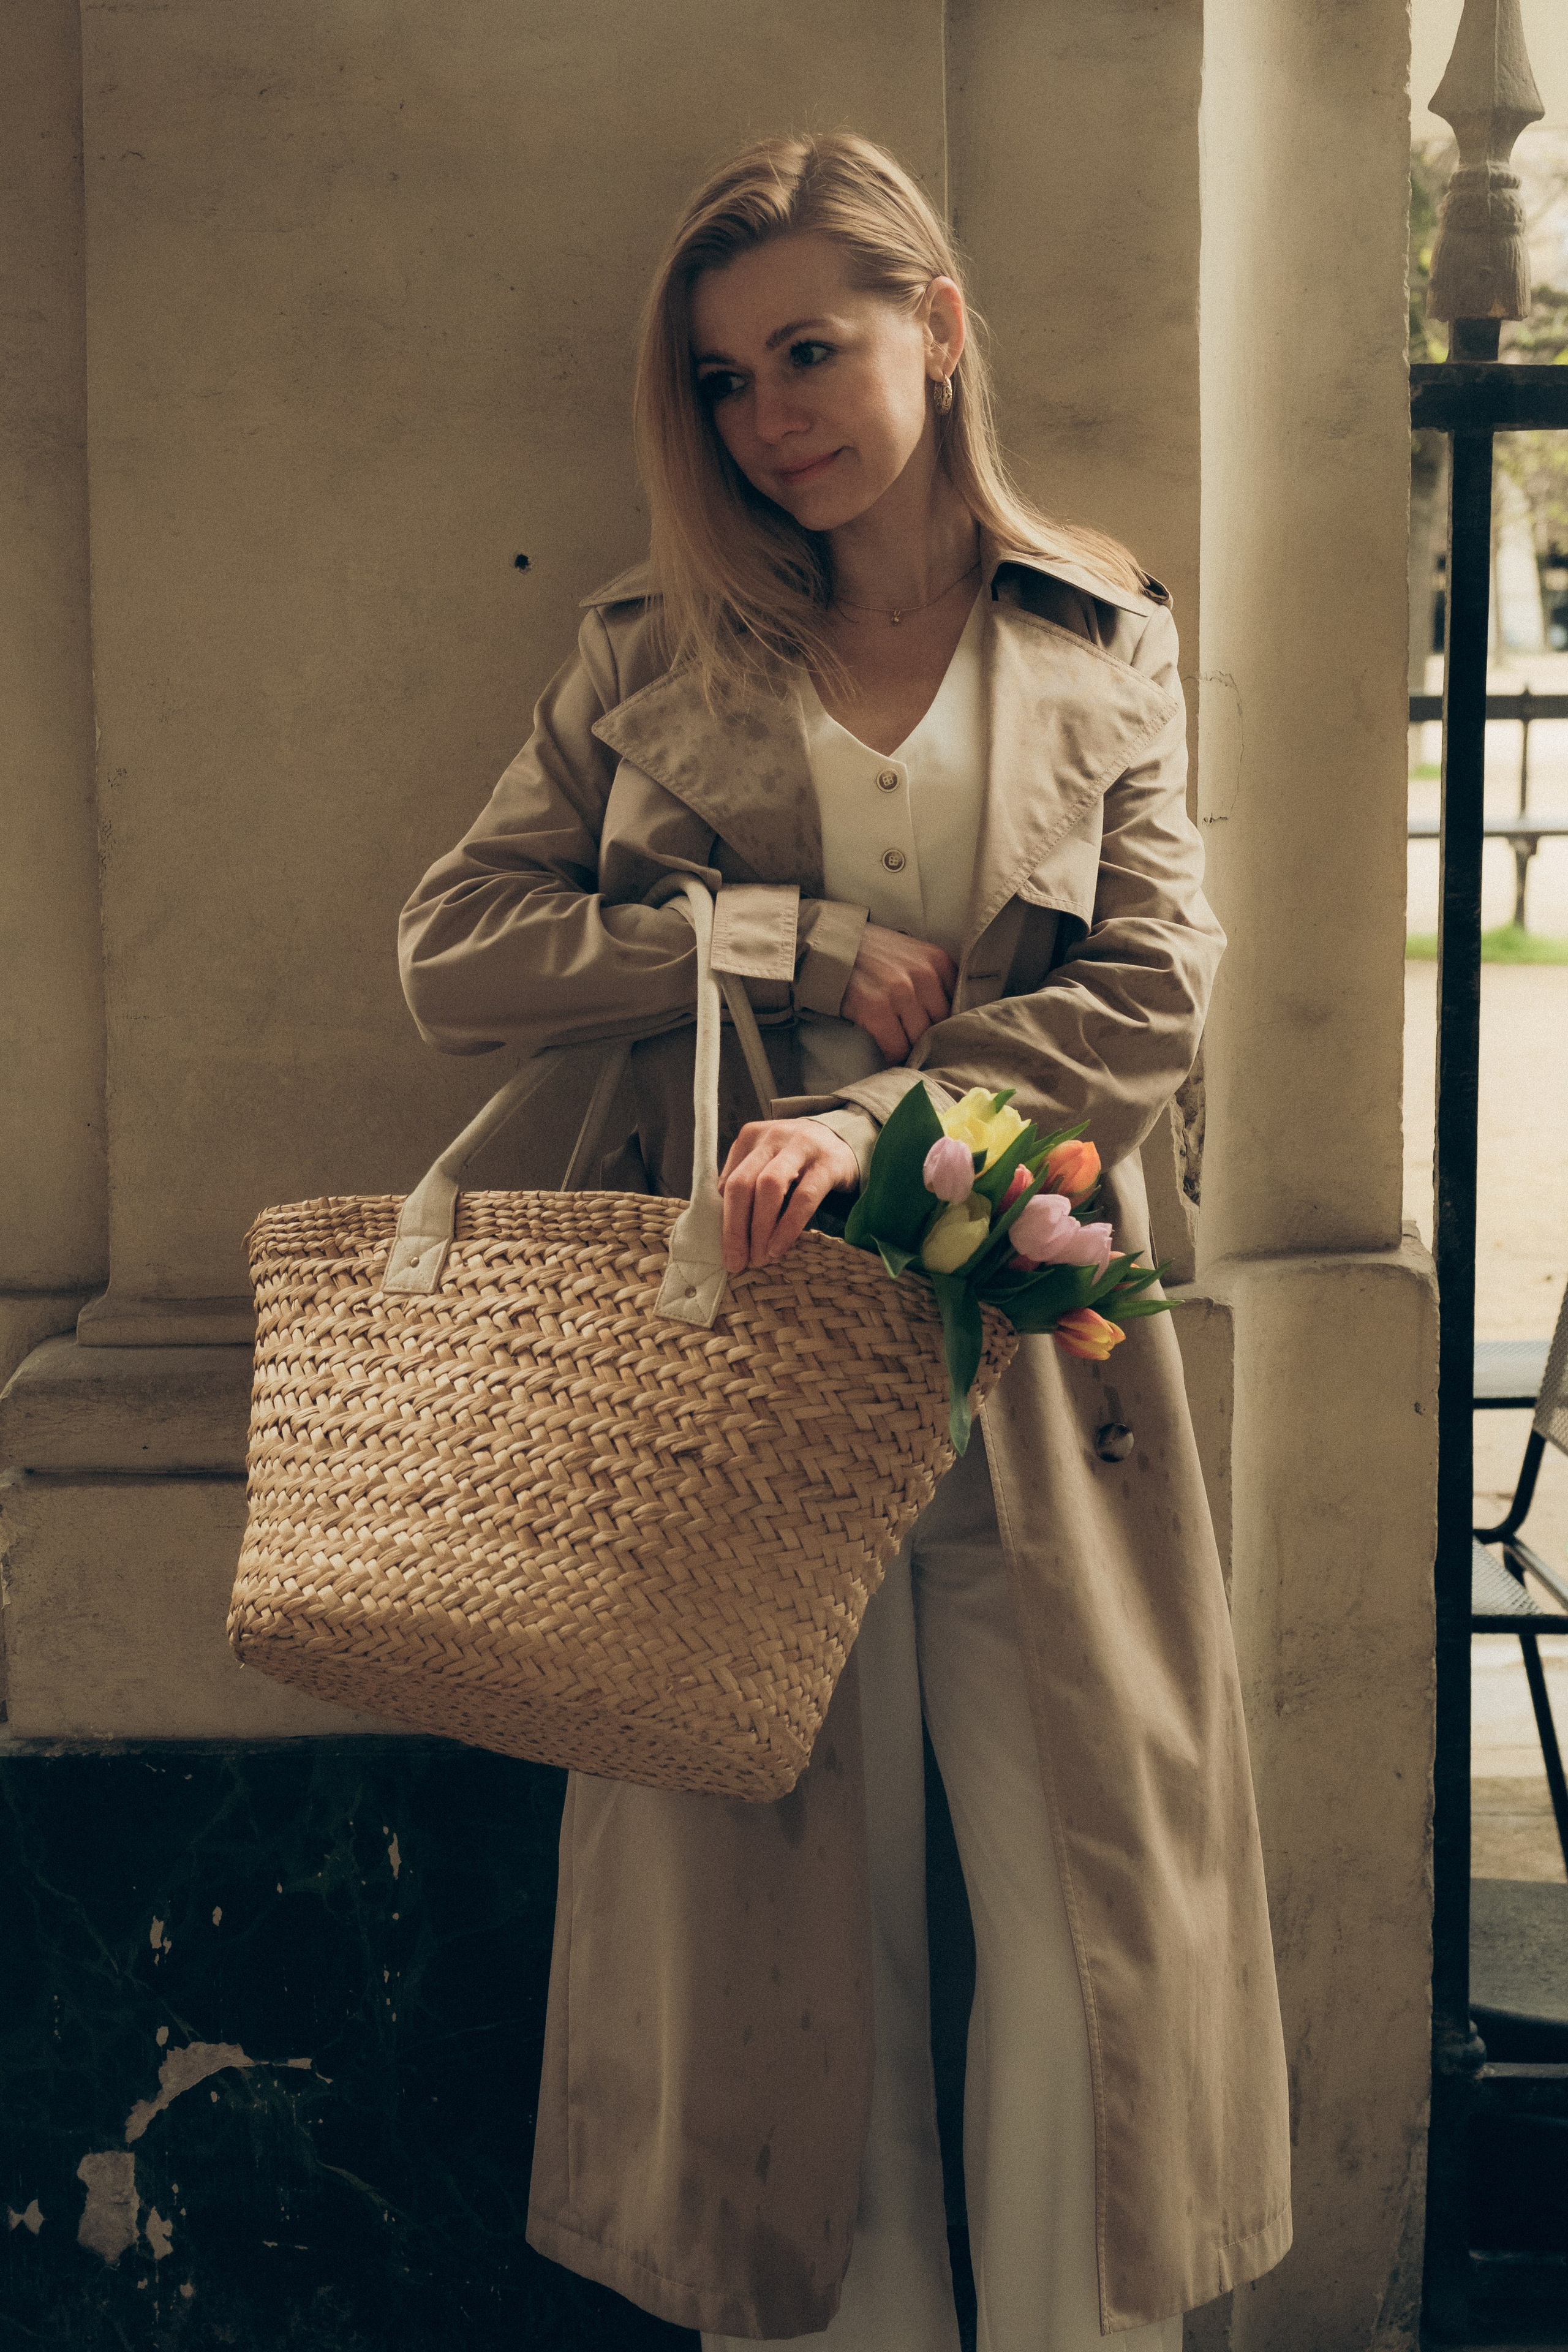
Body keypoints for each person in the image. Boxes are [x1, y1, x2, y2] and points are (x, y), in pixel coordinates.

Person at [399, 131, 1291, 2352]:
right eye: (723, 376)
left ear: (938, 328)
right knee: (796, 1953)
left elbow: (1157, 998)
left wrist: (876, 1109)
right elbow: (455, 948)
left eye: (813, 346)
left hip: (1038, 1354)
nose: (770, 411)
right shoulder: (650, 652)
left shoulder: (1104, 638)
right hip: (741, 1362)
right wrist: (749, 930)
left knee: (1095, 1926)